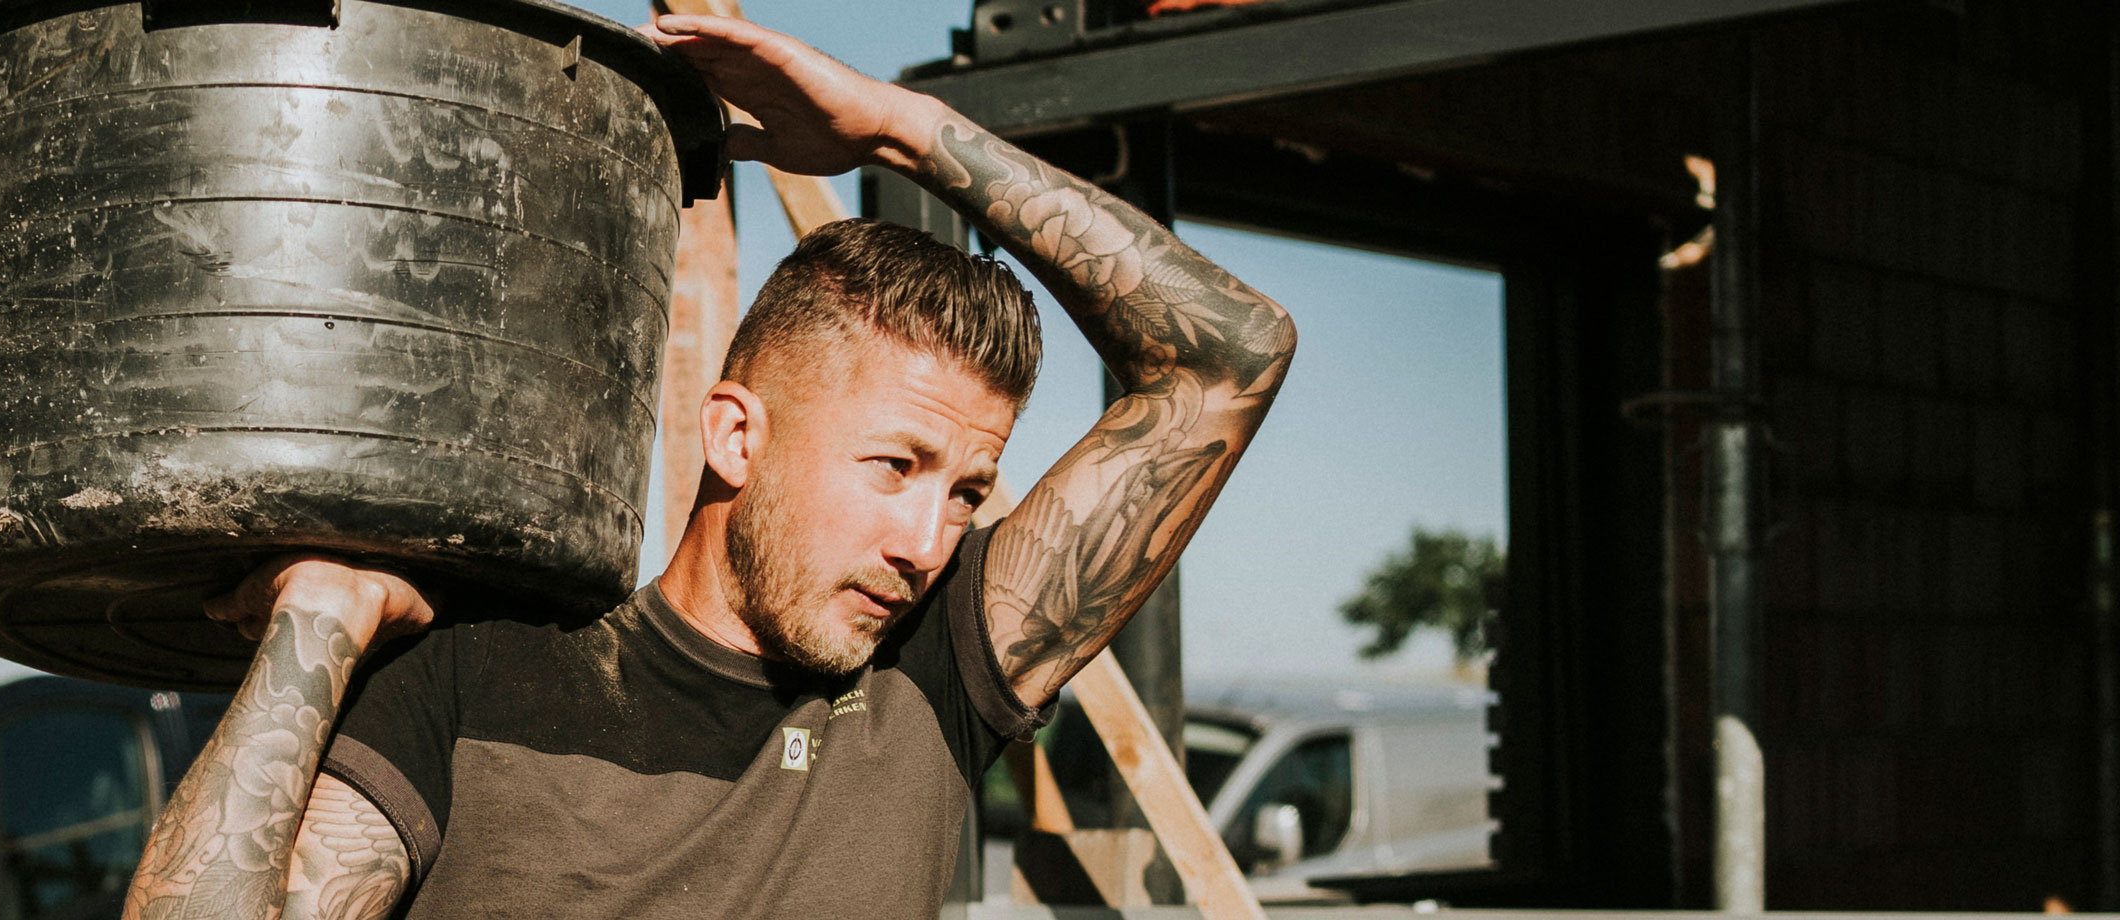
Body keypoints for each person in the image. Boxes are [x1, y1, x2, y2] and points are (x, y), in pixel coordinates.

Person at [121, 13, 1298, 920]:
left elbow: (1230, 357)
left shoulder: (936, 674)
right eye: (895, 464)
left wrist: (892, 126)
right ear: (737, 434)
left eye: (967, 490)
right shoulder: (471, 681)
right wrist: (318, 617)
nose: (927, 539)